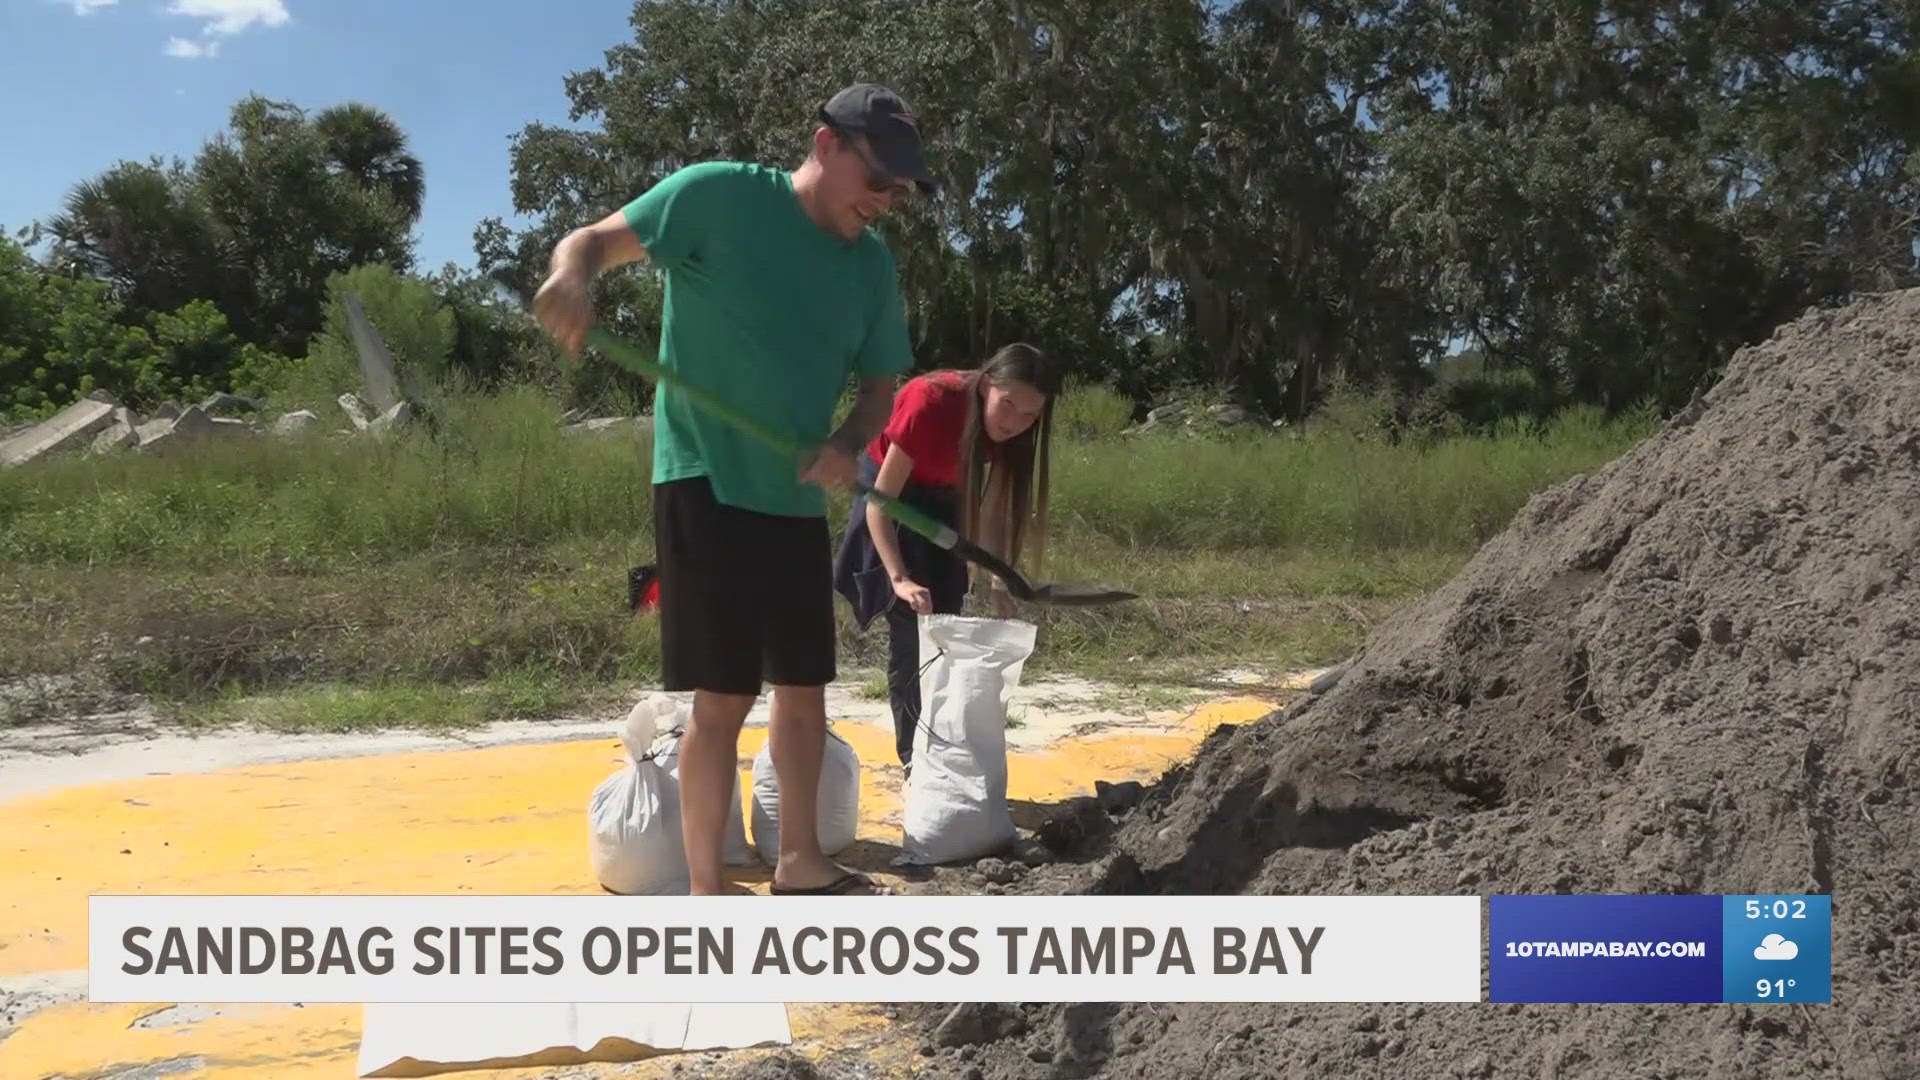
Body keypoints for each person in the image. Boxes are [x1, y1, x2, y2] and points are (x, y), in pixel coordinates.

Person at [531, 83, 938, 897]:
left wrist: (847, 444)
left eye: (902, 186)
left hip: (792, 495)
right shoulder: (717, 195)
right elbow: (590, 243)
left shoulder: (870, 266)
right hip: (704, 480)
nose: (889, 200)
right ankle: (706, 890)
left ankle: (799, 863)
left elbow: (881, 382)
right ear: (826, 146)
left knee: (803, 685)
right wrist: (571, 277)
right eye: (879, 177)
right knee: (721, 695)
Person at [832, 343, 1061, 770]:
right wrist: (899, 578)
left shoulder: (1014, 433)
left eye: (1030, 415)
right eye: (1007, 405)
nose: (1014, 422)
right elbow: (880, 504)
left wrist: (997, 582)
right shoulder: (931, 401)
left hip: (946, 495)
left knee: (946, 620)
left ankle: (942, 743)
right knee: (911, 628)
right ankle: (913, 760)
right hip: (892, 491)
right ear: (987, 385)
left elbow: (990, 510)